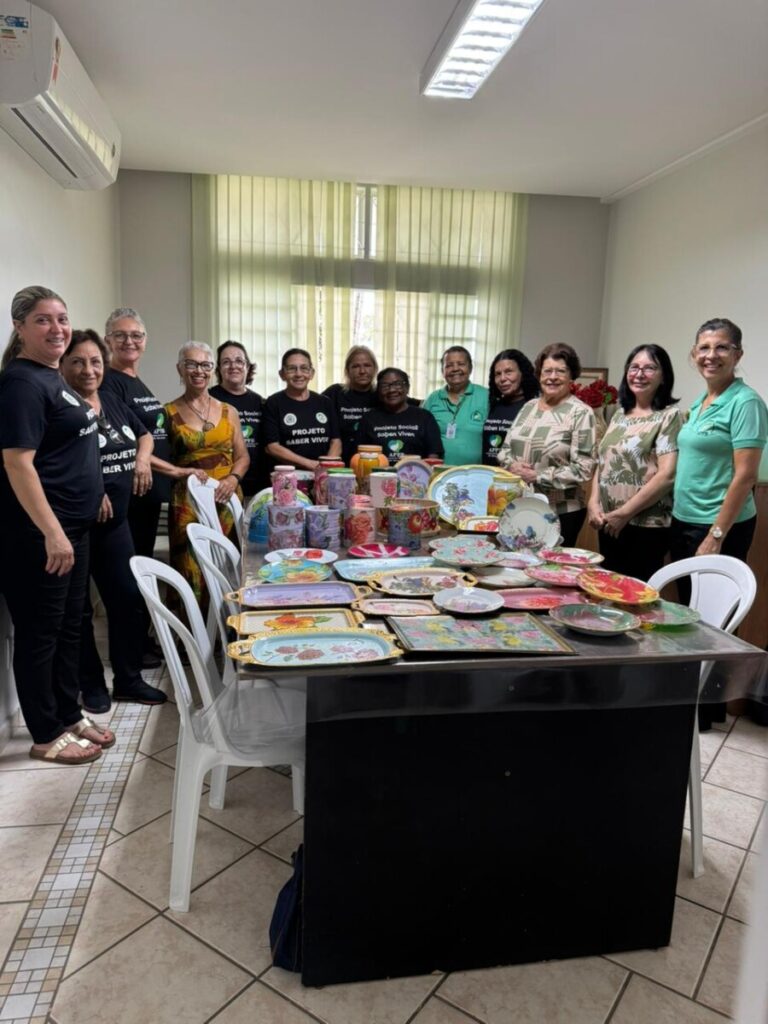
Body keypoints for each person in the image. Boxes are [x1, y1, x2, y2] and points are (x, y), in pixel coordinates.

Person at [0, 286, 114, 764]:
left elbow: (68, 449)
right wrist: (52, 532)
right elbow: (17, 463)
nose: (57, 328)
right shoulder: (21, 383)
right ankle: (45, 733)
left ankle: (69, 713)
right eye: (43, 320)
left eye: (62, 318)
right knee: (40, 634)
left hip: (75, 528)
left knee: (70, 627)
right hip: (42, 536)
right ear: (20, 327)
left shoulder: (53, 377)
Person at [60, 330, 167, 711]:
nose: (88, 370)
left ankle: (128, 679)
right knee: (80, 610)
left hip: (117, 523)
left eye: (95, 362)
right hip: (79, 524)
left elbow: (145, 435)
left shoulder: (110, 400)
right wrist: (94, 490)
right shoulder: (62, 407)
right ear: (62, 365)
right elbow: (58, 462)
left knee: (127, 599)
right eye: (78, 362)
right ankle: (91, 684)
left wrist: (141, 460)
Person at [101, 307, 172, 667]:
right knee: (128, 578)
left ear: (145, 341)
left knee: (140, 571)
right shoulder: (109, 382)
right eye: (121, 335)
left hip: (147, 498)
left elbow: (146, 433)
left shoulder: (137, 382)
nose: (129, 341)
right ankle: (131, 652)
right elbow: (124, 440)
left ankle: (141, 641)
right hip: (128, 497)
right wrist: (165, 467)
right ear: (108, 341)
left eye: (136, 335)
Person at [671, 318, 767, 564]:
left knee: (709, 592)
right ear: (694, 353)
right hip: (684, 518)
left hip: (717, 526)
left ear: (738, 355)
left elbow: (746, 476)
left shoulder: (746, 402)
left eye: (722, 347)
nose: (711, 355)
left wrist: (716, 535)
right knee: (685, 590)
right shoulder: (700, 401)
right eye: (704, 347)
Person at [587, 345, 682, 580]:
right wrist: (593, 502)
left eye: (649, 368)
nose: (639, 374)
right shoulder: (620, 414)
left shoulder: (669, 416)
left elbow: (667, 475)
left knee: (636, 593)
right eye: (634, 367)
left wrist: (624, 514)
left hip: (645, 525)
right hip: (609, 521)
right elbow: (603, 462)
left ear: (663, 376)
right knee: (609, 588)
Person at [165, 342, 250, 600]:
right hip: (188, 501)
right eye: (191, 364)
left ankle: (228, 622)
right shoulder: (167, 412)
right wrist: (179, 472)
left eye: (205, 365)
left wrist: (233, 479)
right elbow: (154, 459)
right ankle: (194, 625)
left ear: (212, 370)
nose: (198, 371)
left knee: (228, 566)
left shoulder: (229, 411)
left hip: (226, 498)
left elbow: (243, 457)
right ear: (179, 369)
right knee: (191, 570)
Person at [497, 343, 597, 547]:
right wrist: (512, 465)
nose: (552, 377)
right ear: (539, 374)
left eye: (560, 371)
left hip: (561, 511)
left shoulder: (581, 413)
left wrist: (538, 476)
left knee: (551, 565)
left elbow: (584, 468)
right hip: (522, 507)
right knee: (519, 562)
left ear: (571, 376)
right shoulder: (528, 407)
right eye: (547, 371)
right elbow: (504, 450)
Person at [263, 348, 342, 470]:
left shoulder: (325, 402)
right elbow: (272, 447)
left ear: (311, 373)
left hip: (324, 473)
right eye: (292, 368)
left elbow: (336, 441)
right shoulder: (273, 403)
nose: (298, 374)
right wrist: (311, 464)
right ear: (282, 374)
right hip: (289, 476)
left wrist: (326, 466)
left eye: (304, 368)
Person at [208, 340, 265, 497]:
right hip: (221, 484)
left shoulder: (260, 402)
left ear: (248, 366)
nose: (233, 366)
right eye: (226, 362)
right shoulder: (208, 399)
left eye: (239, 361)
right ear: (219, 369)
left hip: (257, 485)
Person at [357, 368, 443, 465]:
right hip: (377, 473)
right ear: (379, 391)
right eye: (385, 386)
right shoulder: (369, 419)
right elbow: (360, 455)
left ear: (407, 387)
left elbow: (433, 454)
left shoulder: (424, 417)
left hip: (416, 473)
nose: (392, 390)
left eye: (397, 384)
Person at [422, 345, 489, 466]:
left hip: (476, 472)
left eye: (461, 364)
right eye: (449, 365)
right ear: (442, 371)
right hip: (439, 472)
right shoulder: (432, 399)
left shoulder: (486, 397)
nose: (455, 369)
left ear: (470, 368)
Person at [483, 349, 540, 466]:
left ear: (522, 374)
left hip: (515, 475)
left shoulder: (534, 407)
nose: (502, 378)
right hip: (488, 474)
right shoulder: (493, 406)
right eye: (498, 374)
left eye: (508, 372)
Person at [323, 345, 379, 464]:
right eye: (356, 366)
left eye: (367, 365)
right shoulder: (335, 393)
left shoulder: (384, 395)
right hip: (338, 462)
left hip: (372, 462)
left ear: (375, 369)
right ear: (347, 370)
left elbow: (413, 405)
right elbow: (310, 405)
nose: (362, 371)